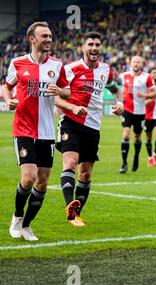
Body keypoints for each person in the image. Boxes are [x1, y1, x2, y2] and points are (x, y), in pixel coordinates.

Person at [3, 21, 70, 241]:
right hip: (23, 129)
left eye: (50, 36)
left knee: (42, 181)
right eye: (44, 36)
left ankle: (27, 226)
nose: (49, 40)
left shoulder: (57, 65)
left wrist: (60, 90)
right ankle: (16, 217)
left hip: (47, 132)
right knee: (29, 177)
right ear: (32, 39)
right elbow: (6, 86)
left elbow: (67, 91)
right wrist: (8, 100)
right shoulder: (18, 63)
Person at [55, 31, 124, 227]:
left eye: (97, 44)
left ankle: (75, 214)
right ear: (83, 48)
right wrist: (73, 107)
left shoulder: (105, 70)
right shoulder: (70, 69)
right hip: (71, 121)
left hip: (93, 126)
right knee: (70, 161)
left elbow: (115, 89)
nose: (94, 48)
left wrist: (120, 104)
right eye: (90, 44)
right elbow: (57, 97)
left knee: (85, 174)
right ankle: (70, 207)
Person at [118, 56, 156, 173]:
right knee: (126, 134)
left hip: (140, 112)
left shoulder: (147, 77)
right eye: (134, 62)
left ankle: (136, 157)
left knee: (137, 137)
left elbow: (154, 93)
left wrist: (144, 96)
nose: (136, 64)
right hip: (127, 110)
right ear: (131, 63)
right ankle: (124, 164)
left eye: (138, 62)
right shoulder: (123, 76)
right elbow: (119, 90)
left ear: (141, 64)